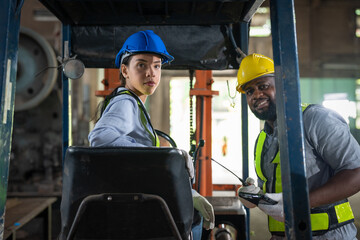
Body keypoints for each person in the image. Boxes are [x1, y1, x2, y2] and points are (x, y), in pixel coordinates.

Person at [88, 30, 215, 239]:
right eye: (141, 65)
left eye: (157, 66)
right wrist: (162, 155)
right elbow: (100, 138)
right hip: (136, 212)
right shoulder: (126, 102)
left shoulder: (134, 104)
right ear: (125, 70)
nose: (151, 73)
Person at [236, 53, 360, 240]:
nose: (256, 95)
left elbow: (356, 173)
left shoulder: (316, 120)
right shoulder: (262, 139)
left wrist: (296, 204)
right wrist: (255, 196)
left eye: (263, 86)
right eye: (249, 91)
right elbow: (275, 198)